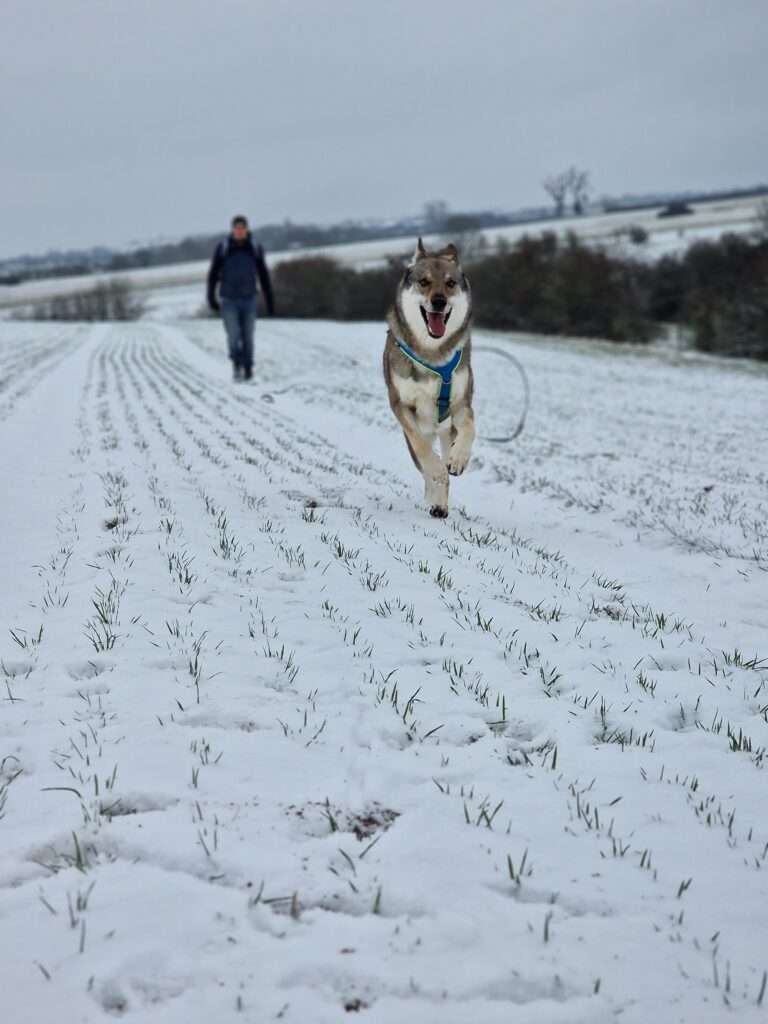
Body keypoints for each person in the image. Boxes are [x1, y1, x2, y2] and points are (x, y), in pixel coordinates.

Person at [207, 215, 274, 380]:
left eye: (242, 228)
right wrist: (211, 297)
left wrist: (270, 300)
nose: (239, 231)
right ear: (232, 230)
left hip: (249, 298)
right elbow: (213, 274)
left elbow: (263, 274)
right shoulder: (223, 248)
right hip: (228, 300)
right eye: (236, 228)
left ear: (246, 229)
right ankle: (236, 364)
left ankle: (248, 368)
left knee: (248, 336)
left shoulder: (255, 247)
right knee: (233, 335)